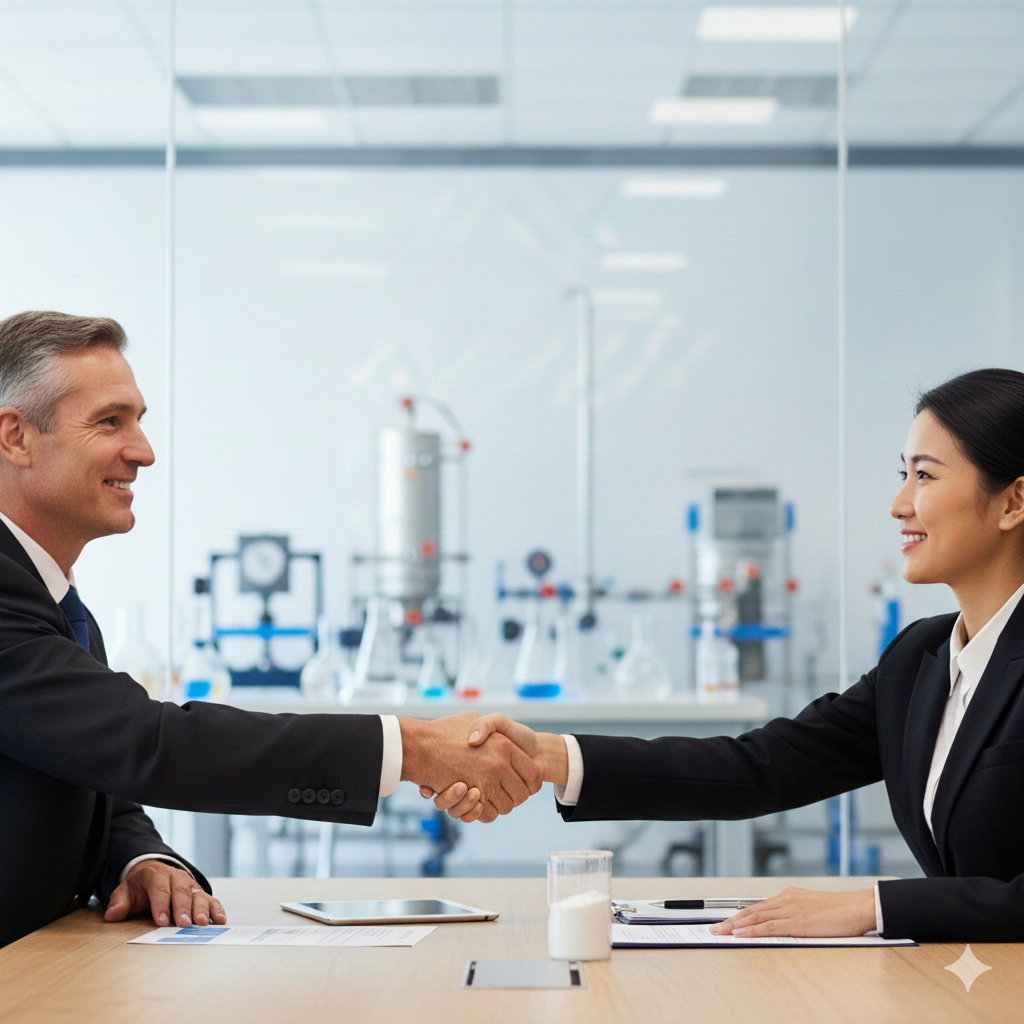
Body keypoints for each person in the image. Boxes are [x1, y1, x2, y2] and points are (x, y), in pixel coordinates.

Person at [0, 310, 538, 947]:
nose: (143, 451)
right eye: (110, 421)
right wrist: (412, 747)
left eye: (140, 420)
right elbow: (146, 743)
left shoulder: (56, 602)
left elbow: (89, 769)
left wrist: (142, 858)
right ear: (16, 437)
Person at [429, 368, 1024, 943]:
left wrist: (872, 907)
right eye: (903, 475)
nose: (898, 505)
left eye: (925, 476)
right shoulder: (919, 660)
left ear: (1012, 502)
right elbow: (758, 767)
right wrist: (550, 755)